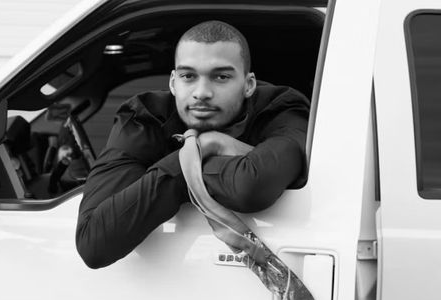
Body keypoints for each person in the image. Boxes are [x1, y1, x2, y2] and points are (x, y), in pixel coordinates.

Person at [75, 20, 310, 269]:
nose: (202, 92)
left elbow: (250, 187)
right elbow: (94, 243)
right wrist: (192, 155)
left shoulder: (282, 109)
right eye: (188, 76)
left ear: (249, 85)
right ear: (173, 83)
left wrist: (187, 164)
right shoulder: (145, 117)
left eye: (221, 77)